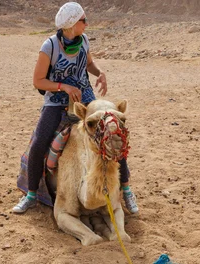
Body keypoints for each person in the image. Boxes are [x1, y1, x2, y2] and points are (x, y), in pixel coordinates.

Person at [13, 2, 138, 215]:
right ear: (71, 24)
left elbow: (89, 64)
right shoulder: (49, 47)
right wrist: (63, 86)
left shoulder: (83, 41)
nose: (86, 24)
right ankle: (31, 194)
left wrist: (100, 73)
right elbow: (38, 81)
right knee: (39, 142)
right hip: (56, 102)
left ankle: (126, 190)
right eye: (83, 20)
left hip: (85, 99)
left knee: (113, 133)